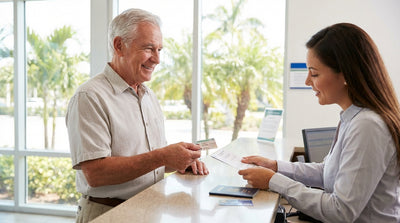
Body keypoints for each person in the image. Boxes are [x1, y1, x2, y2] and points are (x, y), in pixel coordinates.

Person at [238, 23, 400, 223]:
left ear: (346, 75)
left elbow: (341, 211)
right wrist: (276, 167)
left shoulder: (368, 126)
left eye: (314, 74)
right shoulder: (352, 118)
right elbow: (327, 172)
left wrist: (274, 181)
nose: (307, 81)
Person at [66, 8, 208, 223]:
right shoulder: (90, 96)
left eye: (160, 49)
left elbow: (150, 163)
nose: (157, 59)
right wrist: (162, 157)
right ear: (119, 46)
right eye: (149, 48)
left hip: (149, 209)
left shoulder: (148, 95)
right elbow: (96, 174)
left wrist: (178, 161)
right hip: (107, 214)